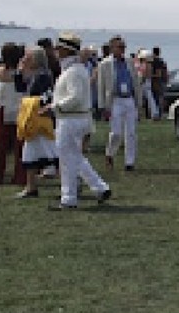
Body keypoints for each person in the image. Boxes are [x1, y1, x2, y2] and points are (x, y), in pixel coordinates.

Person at [50, 32, 110, 209]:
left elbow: (75, 97)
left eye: (59, 49)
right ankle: (100, 187)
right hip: (76, 118)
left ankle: (69, 199)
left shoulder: (73, 72)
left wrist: (55, 107)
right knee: (75, 157)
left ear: (65, 51)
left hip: (70, 119)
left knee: (67, 160)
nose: (56, 52)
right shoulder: (76, 70)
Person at [14, 46, 59, 199]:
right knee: (31, 154)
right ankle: (31, 187)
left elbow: (47, 96)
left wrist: (35, 104)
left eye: (28, 57)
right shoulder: (35, 75)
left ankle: (74, 181)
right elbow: (20, 88)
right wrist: (19, 71)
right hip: (32, 120)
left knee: (52, 154)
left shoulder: (43, 75)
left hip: (40, 120)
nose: (25, 59)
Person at [96, 35, 141, 171]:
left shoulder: (129, 62)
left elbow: (136, 83)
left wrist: (138, 102)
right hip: (115, 100)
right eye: (119, 47)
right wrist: (102, 106)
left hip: (129, 99)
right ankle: (110, 154)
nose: (122, 49)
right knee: (116, 132)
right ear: (112, 48)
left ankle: (129, 162)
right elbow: (101, 86)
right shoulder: (105, 64)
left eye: (123, 47)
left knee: (131, 132)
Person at [0, 42, 26, 184]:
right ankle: (20, 176)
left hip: (2, 110)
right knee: (19, 145)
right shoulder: (21, 72)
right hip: (19, 109)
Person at [149, 46, 168, 118]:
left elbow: (158, 74)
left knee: (156, 98)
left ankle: (158, 114)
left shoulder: (155, 62)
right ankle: (161, 113)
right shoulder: (162, 61)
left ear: (153, 52)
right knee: (160, 97)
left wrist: (150, 75)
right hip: (162, 81)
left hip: (157, 82)